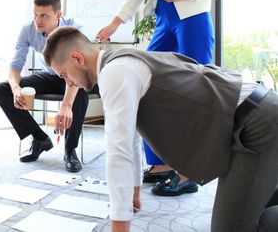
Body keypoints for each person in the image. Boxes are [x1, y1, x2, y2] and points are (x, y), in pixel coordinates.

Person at [44, 26, 278, 232]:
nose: (69, 83)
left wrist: (119, 226)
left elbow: (119, 152)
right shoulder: (120, 63)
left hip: (258, 123)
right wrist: (134, 189)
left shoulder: (114, 73)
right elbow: (131, 138)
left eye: (64, 75)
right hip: (249, 117)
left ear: (77, 58)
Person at [96, 0, 235, 195]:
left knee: (197, 96)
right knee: (144, 85)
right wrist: (115, 22)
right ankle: (160, 163)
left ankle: (189, 173)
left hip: (193, 18)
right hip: (164, 19)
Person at [0, 0, 90, 173]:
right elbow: (15, 67)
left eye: (44, 15)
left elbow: (80, 72)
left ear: (58, 15)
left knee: (81, 93)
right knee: (1, 89)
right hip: (51, 76)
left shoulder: (75, 30)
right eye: (35, 14)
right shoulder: (28, 30)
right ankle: (40, 138)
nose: (38, 20)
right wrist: (15, 89)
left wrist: (66, 104)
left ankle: (70, 149)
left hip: (76, 78)